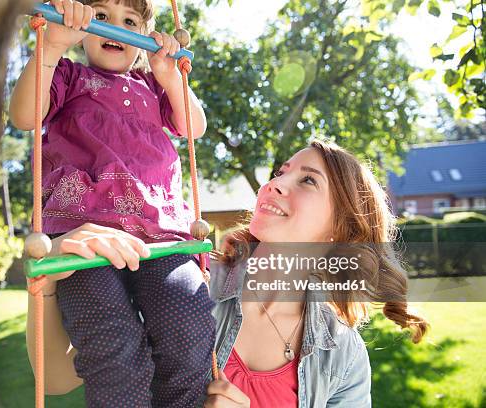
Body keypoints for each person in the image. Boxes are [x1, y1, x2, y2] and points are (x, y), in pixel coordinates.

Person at [27, 140, 429, 407]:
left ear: (341, 231)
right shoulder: (185, 284)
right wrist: (50, 279)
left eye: (307, 180)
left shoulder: (342, 355)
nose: (275, 184)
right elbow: (59, 379)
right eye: (281, 172)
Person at [11, 0, 215, 406]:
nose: (114, 28)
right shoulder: (69, 77)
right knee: (112, 342)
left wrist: (171, 78)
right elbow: (23, 117)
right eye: (100, 16)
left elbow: (196, 129)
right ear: (82, 30)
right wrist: (50, 48)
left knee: (189, 328)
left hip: (160, 238)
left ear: (141, 38)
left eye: (129, 21)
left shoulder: (154, 87)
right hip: (85, 238)